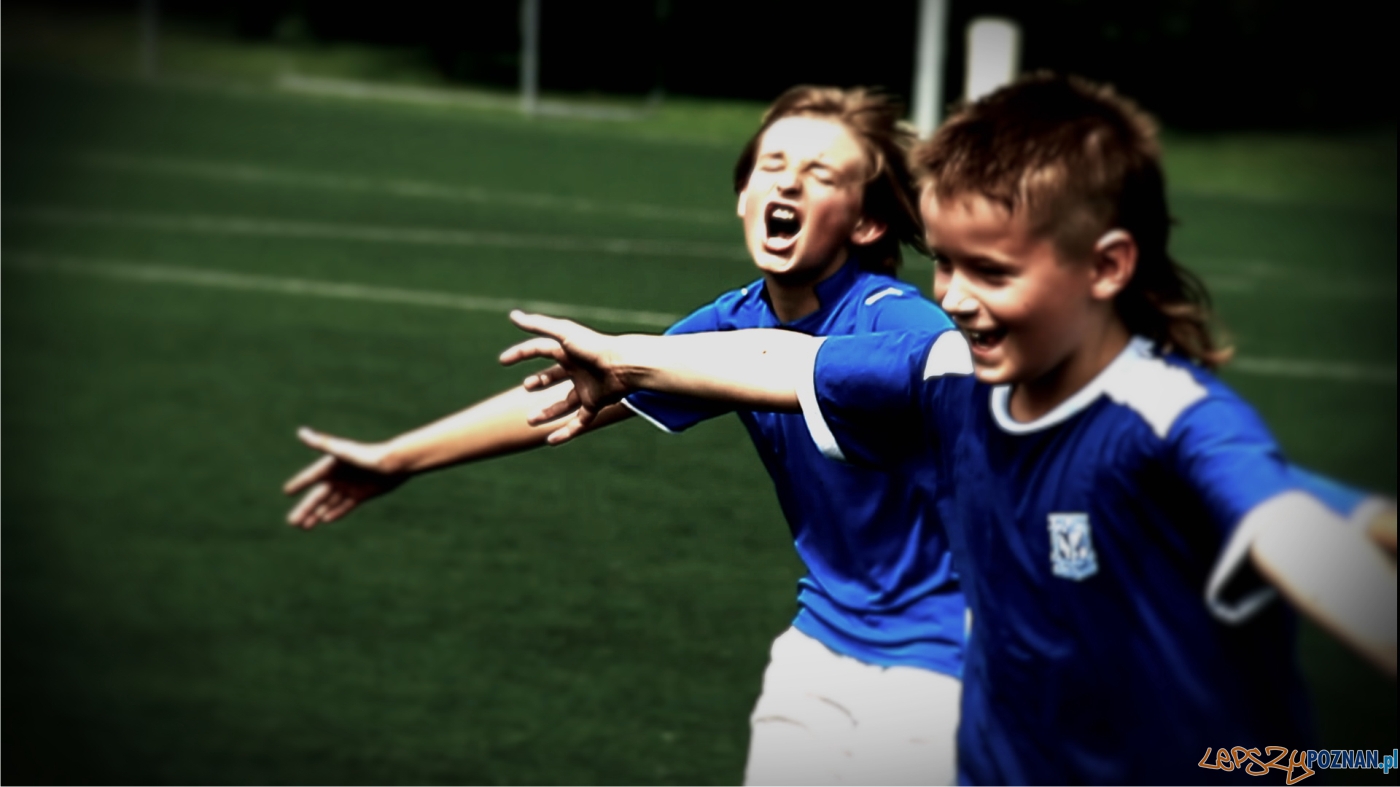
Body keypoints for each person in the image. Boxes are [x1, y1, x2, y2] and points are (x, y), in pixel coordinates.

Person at [500, 73, 1398, 784]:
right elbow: (774, 362)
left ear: (1106, 266)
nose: (957, 299)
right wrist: (623, 360)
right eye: (949, 264)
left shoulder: (1167, 424)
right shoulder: (943, 372)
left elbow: (1295, 529)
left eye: (993, 271)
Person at [285, 86, 966, 785]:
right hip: (821, 640)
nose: (788, 179)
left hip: (943, 656)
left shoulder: (897, 323)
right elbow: (570, 398)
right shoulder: (734, 319)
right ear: (740, 196)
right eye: (771, 163)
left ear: (869, 223)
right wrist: (399, 457)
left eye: (822, 173)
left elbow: (945, 375)